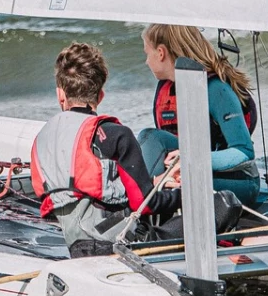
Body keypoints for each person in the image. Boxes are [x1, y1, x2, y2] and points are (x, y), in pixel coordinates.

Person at [28, 42, 177, 257]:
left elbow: (84, 192)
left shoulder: (43, 140)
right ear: (101, 96)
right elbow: (145, 204)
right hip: (122, 244)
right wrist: (181, 195)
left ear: (60, 94)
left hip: (76, 244)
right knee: (222, 206)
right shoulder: (116, 135)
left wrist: (155, 182)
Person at [139, 24, 261, 205]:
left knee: (180, 186)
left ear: (161, 53)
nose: (146, 61)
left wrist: (193, 159)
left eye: (147, 54)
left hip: (238, 182)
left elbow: (244, 152)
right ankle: (148, 196)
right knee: (151, 137)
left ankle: (150, 202)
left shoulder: (216, 89)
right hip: (193, 176)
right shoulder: (170, 88)